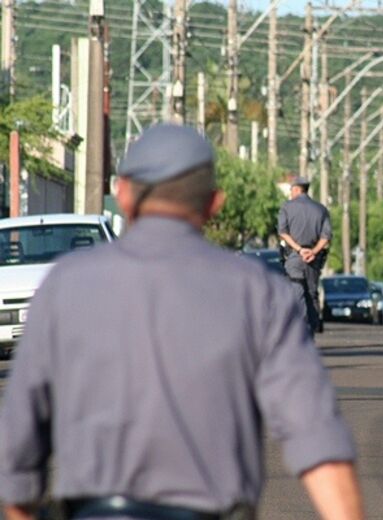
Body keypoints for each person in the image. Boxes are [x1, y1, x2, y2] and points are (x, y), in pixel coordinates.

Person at [0, 124, 363, 520]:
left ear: (122, 195)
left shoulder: (64, 287)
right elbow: (316, 437)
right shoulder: (257, 294)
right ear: (213, 203)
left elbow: (17, 447)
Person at [278, 176, 331, 334]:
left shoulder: (286, 207)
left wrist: (299, 250)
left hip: (295, 256)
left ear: (296, 189)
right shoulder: (321, 209)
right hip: (313, 259)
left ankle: (300, 328)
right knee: (312, 292)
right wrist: (313, 251)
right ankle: (312, 328)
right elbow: (326, 237)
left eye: (291, 191)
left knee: (296, 290)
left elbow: (283, 233)